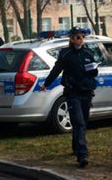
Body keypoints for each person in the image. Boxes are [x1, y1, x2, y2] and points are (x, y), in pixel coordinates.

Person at [40, 27, 99, 168]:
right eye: (78, 37)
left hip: (87, 91)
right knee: (78, 122)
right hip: (73, 92)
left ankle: (76, 147)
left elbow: (93, 72)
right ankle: (82, 154)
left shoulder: (88, 52)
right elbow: (56, 69)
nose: (80, 40)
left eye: (82, 37)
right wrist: (46, 84)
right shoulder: (65, 54)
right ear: (72, 39)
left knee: (82, 123)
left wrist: (94, 70)